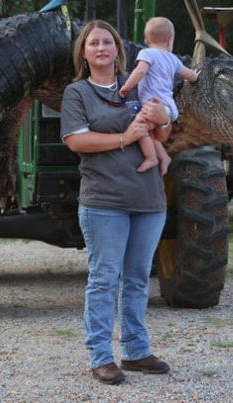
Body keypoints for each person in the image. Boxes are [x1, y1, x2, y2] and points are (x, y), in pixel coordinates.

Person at [60, 20, 173, 385]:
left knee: (139, 278)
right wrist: (125, 137)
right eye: (93, 43)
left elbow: (163, 131)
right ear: (84, 52)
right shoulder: (77, 93)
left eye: (107, 41)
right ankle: (101, 356)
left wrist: (163, 119)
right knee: (105, 278)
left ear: (118, 50)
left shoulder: (138, 85)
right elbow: (76, 141)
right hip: (104, 201)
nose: (101, 47)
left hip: (148, 198)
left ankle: (137, 351)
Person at [120, 16, 198, 176]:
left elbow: (140, 71)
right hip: (169, 108)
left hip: (154, 105)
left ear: (147, 40)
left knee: (140, 128)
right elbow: (189, 75)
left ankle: (151, 158)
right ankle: (163, 156)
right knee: (151, 133)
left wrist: (126, 87)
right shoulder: (173, 59)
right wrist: (196, 76)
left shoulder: (146, 53)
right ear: (170, 41)